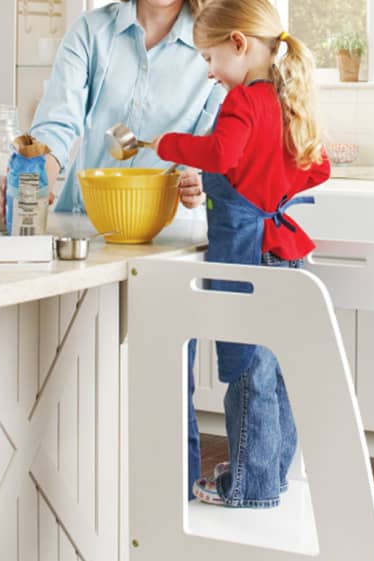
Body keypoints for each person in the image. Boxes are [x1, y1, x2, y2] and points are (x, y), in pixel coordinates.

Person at [21, 0, 227, 493]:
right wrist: (39, 168)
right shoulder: (93, 31)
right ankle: (82, 510)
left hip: (169, 237)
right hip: (86, 232)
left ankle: (169, 506)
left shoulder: (211, 40)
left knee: (163, 380)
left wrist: (201, 175)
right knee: (74, 376)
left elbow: (215, 139)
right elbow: (58, 118)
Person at [152, 0, 330, 508]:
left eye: (209, 58)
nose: (209, 73)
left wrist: (170, 144)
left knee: (247, 373)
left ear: (238, 44)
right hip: (285, 252)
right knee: (278, 370)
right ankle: (270, 473)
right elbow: (316, 169)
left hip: (249, 256)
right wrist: (272, 190)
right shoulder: (287, 96)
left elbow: (221, 156)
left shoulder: (243, 102)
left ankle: (250, 487)